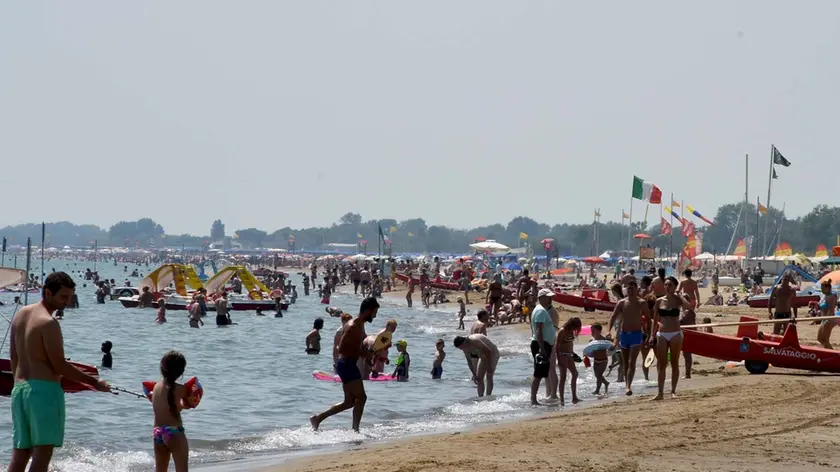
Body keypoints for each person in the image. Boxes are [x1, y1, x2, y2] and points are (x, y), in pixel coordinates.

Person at [8, 272, 110, 472]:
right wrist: (95, 382)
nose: (68, 301)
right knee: (42, 454)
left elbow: (14, 357)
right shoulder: (48, 323)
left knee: (20, 453)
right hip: (43, 393)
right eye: (63, 297)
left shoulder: (21, 314)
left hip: (19, 390)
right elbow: (60, 366)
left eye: (70, 296)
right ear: (47, 292)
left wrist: (17, 383)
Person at [311, 297, 379, 432]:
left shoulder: (360, 324)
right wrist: (361, 353)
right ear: (368, 311)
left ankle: (318, 418)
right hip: (346, 364)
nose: (375, 315)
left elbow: (359, 346)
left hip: (349, 363)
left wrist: (367, 355)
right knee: (361, 397)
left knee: (349, 402)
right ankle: (355, 430)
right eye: (374, 312)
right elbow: (341, 348)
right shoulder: (352, 326)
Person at [649, 276, 693, 400]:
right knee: (661, 364)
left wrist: (680, 295)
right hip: (662, 333)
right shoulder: (659, 301)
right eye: (666, 285)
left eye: (670, 285)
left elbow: (688, 307)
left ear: (675, 287)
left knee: (675, 363)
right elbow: (655, 319)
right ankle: (660, 393)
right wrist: (652, 336)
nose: (667, 287)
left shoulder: (678, 300)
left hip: (675, 333)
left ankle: (673, 391)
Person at [608, 278, 650, 396]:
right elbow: (613, 317)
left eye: (633, 288)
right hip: (624, 335)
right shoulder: (622, 303)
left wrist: (649, 334)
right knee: (625, 363)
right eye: (628, 288)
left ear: (637, 289)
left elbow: (648, 319)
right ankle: (627, 383)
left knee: (632, 362)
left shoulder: (642, 303)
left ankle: (628, 387)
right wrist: (609, 330)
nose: (630, 290)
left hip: (636, 335)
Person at [151, 351, 189, 472]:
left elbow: (168, 405)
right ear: (181, 372)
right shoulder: (181, 389)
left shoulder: (155, 387)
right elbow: (189, 404)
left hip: (158, 432)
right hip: (174, 432)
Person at [529, 288, 557, 405]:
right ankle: (533, 400)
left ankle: (535, 399)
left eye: (551, 297)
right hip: (541, 344)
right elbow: (538, 330)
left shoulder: (541, 310)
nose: (550, 299)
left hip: (544, 343)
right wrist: (542, 348)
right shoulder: (540, 311)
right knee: (538, 374)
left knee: (541, 373)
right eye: (548, 297)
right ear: (541, 298)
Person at [555, 317, 582, 405]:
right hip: (562, 355)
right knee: (563, 377)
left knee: (575, 374)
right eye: (576, 327)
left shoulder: (571, 332)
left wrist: (574, 354)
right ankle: (562, 400)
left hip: (569, 355)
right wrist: (558, 359)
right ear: (572, 324)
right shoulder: (562, 331)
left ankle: (574, 397)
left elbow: (569, 344)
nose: (576, 329)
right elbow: (557, 345)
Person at [816, 280, 838, 349]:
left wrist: (827, 320)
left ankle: (833, 354)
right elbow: (821, 306)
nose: (822, 290)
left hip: (829, 320)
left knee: (825, 340)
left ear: (828, 288)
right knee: (819, 338)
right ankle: (829, 350)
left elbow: (831, 310)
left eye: (823, 288)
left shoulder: (831, 297)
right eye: (821, 288)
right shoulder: (824, 296)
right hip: (823, 319)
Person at [589, 323, 610, 395]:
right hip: (595, 360)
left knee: (599, 375)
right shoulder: (592, 340)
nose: (591, 332)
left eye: (593, 330)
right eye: (591, 331)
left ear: (599, 331)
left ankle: (597, 390)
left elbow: (610, 348)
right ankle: (606, 383)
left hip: (603, 360)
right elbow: (589, 350)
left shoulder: (604, 339)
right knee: (597, 375)